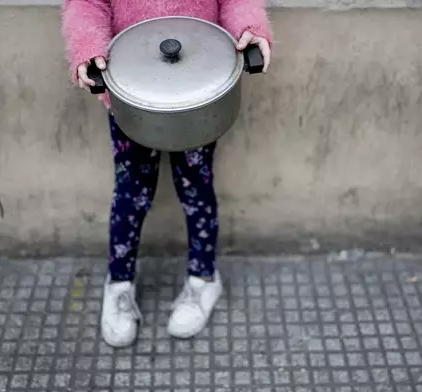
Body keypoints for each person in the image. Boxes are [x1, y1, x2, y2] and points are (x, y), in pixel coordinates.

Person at [61, 0, 272, 347]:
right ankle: (119, 284)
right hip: (130, 100)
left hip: (198, 102)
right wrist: (87, 47)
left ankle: (204, 279)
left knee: (196, 190)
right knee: (130, 193)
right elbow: (86, 4)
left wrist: (249, 28)